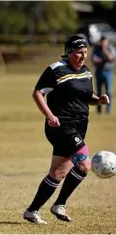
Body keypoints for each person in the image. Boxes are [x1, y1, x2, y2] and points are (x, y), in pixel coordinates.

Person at [23, 35, 110, 224]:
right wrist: (49, 115)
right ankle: (60, 204)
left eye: (85, 52)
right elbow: (38, 93)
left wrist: (99, 100)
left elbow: (87, 97)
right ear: (70, 51)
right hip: (61, 126)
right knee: (84, 164)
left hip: (80, 126)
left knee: (58, 173)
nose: (82, 56)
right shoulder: (56, 70)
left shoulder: (86, 72)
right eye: (79, 52)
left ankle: (32, 210)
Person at [92, 35, 116, 114]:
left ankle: (108, 110)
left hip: (108, 72)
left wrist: (105, 50)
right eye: (102, 41)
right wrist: (102, 59)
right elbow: (94, 59)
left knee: (108, 92)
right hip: (99, 72)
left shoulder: (111, 48)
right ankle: (99, 110)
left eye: (105, 41)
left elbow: (111, 58)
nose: (103, 43)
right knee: (98, 92)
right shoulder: (97, 48)